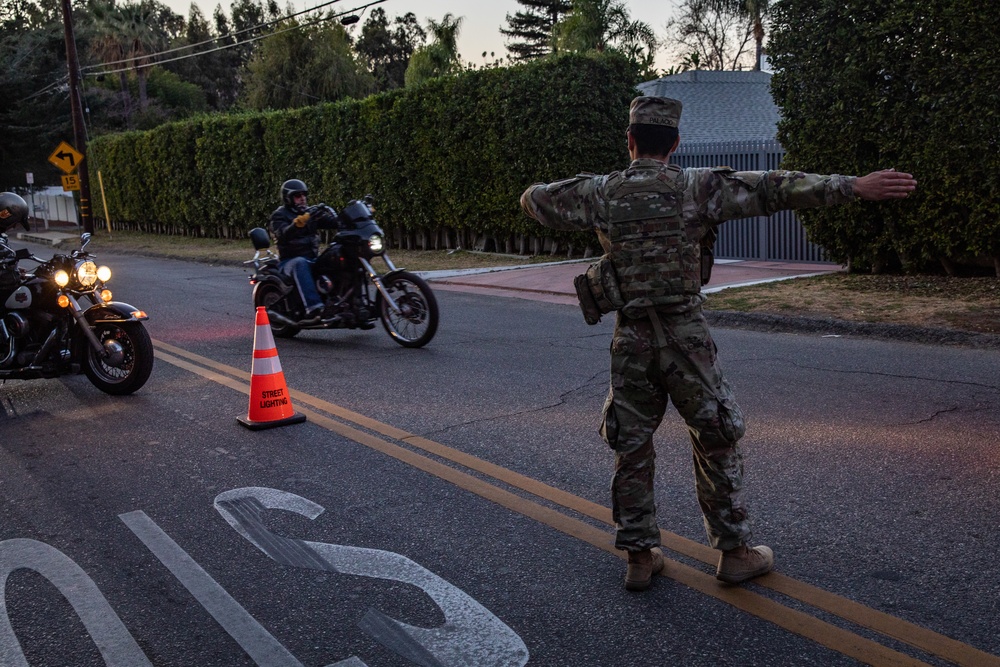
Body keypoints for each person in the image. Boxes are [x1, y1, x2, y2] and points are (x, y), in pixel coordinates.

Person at [520, 96, 917, 592]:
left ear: (630, 140)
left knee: (632, 445)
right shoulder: (699, 187)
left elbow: (534, 200)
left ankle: (640, 558)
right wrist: (854, 186)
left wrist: (590, 194)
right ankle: (734, 553)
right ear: (676, 143)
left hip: (632, 339)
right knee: (715, 437)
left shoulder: (600, 193)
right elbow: (776, 188)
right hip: (687, 337)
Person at [269, 179, 341, 324]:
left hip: (312, 258)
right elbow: (281, 234)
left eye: (304, 195)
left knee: (335, 255)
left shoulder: (309, 214)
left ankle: (341, 301)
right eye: (298, 196)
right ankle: (313, 308)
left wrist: (354, 217)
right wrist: (296, 224)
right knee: (300, 263)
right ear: (288, 198)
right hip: (289, 261)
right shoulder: (279, 215)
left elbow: (333, 222)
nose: (302, 199)